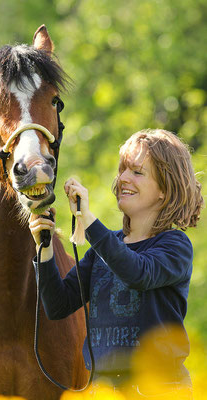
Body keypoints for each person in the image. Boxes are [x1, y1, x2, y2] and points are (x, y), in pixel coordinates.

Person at [29, 129, 204, 398]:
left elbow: (138, 273)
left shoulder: (175, 246)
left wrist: (88, 221)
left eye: (137, 172)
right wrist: (45, 248)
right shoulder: (105, 248)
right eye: (122, 170)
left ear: (164, 189)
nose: (123, 178)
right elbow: (57, 305)